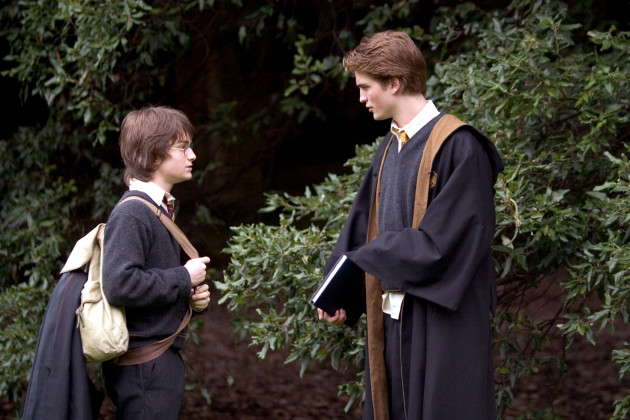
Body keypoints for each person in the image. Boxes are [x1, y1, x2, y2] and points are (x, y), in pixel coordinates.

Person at [318, 31, 504, 419]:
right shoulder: (390, 147)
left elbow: (443, 244)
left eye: (366, 87)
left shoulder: (459, 146)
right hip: (394, 322)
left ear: (394, 83)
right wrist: (339, 292)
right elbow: (363, 228)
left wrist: (367, 258)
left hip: (442, 324)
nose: (361, 97)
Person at [101, 105, 211, 420]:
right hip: (144, 367)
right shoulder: (133, 212)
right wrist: (183, 278)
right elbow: (119, 284)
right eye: (183, 147)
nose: (192, 155)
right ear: (153, 155)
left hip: (154, 363)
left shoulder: (154, 208)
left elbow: (148, 284)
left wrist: (190, 298)